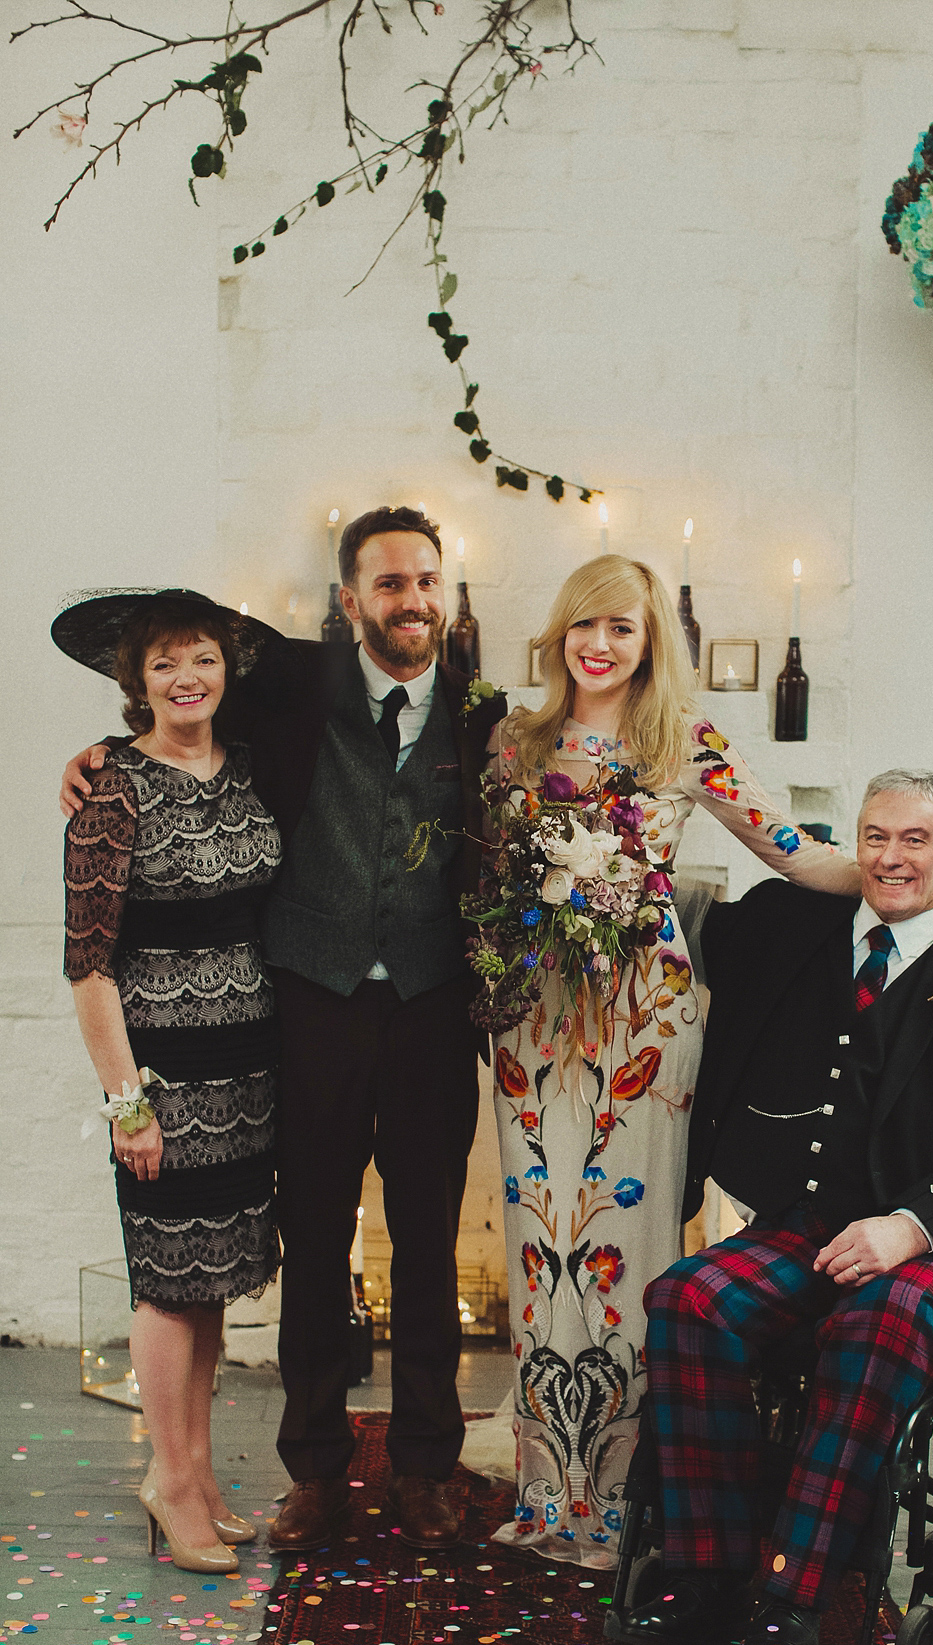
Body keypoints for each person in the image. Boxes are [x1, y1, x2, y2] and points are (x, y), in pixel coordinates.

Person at [59, 508, 507, 1554]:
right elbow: (174, 708)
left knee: (431, 1245)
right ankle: (315, 1471)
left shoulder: (482, 714)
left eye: (427, 581)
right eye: (389, 584)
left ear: (444, 591)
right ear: (349, 599)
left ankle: (427, 1465)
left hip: (434, 1011)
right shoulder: (292, 685)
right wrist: (93, 760)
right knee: (313, 1242)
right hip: (309, 1004)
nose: (412, 601)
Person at [611, 769, 933, 1645]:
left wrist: (907, 1228)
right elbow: (663, 901)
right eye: (876, 837)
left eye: (917, 841)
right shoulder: (792, 927)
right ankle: (707, 1575)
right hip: (812, 1220)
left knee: (878, 1322)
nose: (892, 858)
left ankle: (791, 1597)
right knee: (688, 1300)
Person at [483, 554, 861, 1565]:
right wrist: (545, 903)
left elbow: (791, 849)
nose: (600, 647)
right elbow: (487, 874)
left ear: (651, 643)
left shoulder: (684, 742)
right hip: (533, 1013)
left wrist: (899, 878)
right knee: (537, 1238)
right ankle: (546, 1490)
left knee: (627, 1234)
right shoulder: (516, 743)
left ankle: (620, 1495)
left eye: (622, 630)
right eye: (584, 628)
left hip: (642, 1012)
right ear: (559, 637)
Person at [56, 588, 285, 1573]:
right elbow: (88, 965)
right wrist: (127, 1103)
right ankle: (169, 1476)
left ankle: (193, 1474)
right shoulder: (112, 789)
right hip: (162, 1070)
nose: (186, 679)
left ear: (226, 668)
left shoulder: (250, 771)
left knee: (214, 1279)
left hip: (249, 1068)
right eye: (164, 665)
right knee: (165, 1277)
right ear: (134, 682)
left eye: (202, 659)